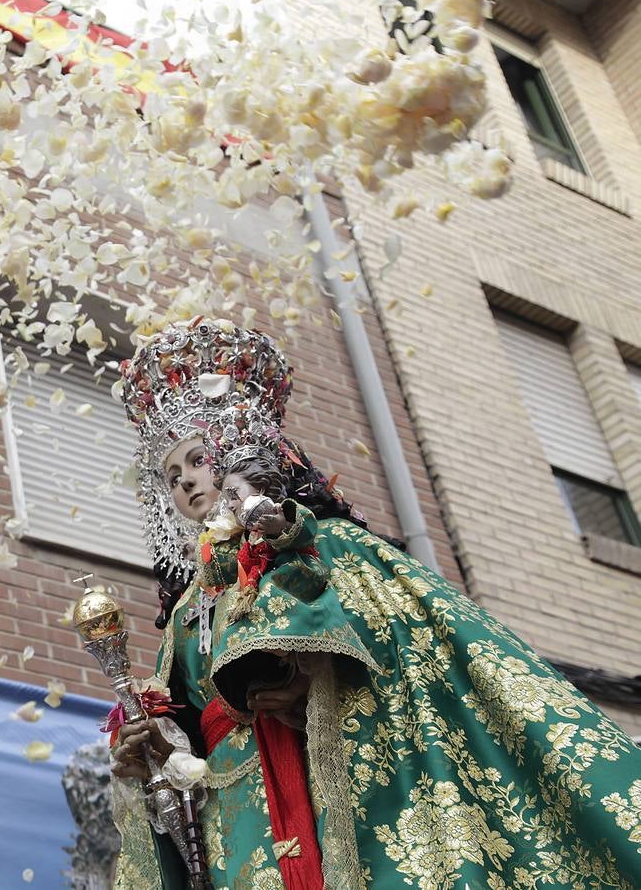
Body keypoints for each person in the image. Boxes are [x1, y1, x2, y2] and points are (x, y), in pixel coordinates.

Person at [107, 317, 641, 889]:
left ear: (237, 450)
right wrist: (152, 752)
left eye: (197, 460)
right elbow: (185, 720)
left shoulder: (327, 544)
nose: (185, 482)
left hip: (349, 778)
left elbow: (404, 645)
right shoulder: (188, 609)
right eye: (171, 477)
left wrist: (310, 667)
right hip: (241, 823)